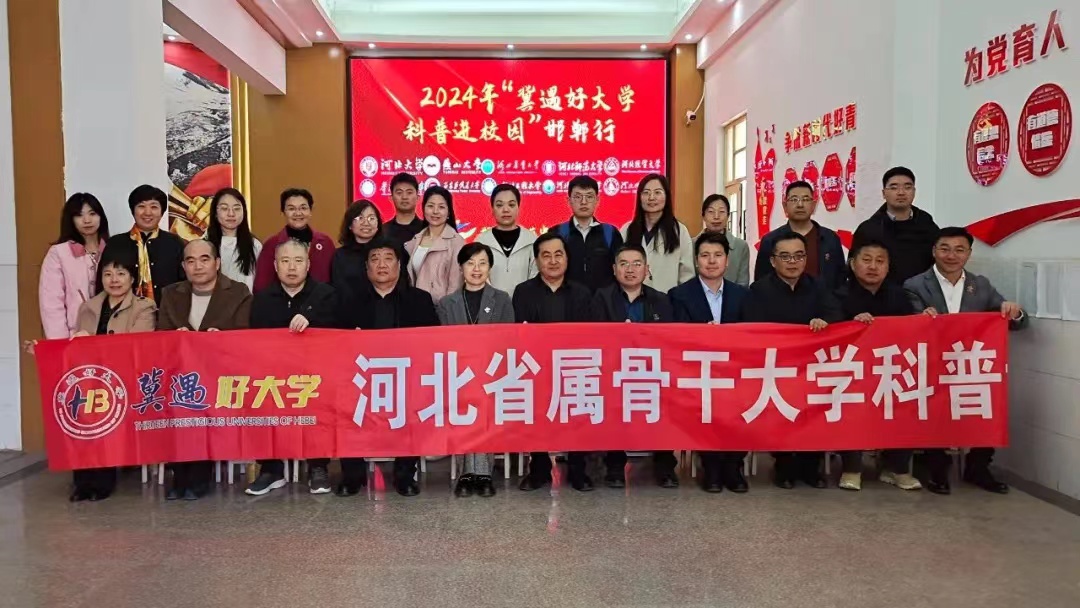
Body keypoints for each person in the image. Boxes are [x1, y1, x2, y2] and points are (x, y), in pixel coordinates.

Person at [904, 226, 1027, 495]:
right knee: (933, 409)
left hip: (969, 366)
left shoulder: (980, 285)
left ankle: (978, 466)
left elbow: (1018, 323)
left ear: (968, 254)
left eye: (959, 250)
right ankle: (937, 468)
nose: (951, 255)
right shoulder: (914, 285)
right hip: (931, 366)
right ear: (934, 251)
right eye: (945, 249)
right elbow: (905, 326)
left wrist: (1013, 312)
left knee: (987, 405)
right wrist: (919, 319)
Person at [33, 249, 155, 501]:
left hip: (125, 380)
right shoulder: (88, 307)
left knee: (103, 412)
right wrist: (46, 350)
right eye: (108, 274)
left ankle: (102, 482)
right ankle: (82, 483)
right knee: (79, 412)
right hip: (91, 378)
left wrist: (94, 343)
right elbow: (75, 349)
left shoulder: (144, 307)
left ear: (132, 278)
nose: (114, 280)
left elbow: (138, 346)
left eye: (121, 273)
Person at [338, 237, 440, 497]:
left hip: (407, 379)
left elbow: (432, 343)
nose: (381, 264)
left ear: (399, 265)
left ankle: (405, 475)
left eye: (388, 258)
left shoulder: (420, 300)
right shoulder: (349, 302)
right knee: (344, 403)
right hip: (362, 380)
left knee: (415, 401)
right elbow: (336, 347)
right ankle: (352, 475)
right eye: (375, 259)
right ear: (366, 268)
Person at [744, 231, 842, 489]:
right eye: (785, 256)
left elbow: (836, 315)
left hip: (812, 367)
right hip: (776, 369)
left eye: (799, 256)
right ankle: (784, 465)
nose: (792, 262)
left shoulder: (818, 285)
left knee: (817, 406)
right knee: (782, 407)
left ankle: (811, 466)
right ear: (773, 260)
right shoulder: (759, 290)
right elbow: (753, 328)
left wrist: (824, 322)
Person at [158, 240, 252, 500]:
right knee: (176, 404)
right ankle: (179, 474)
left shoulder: (238, 292)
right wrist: (174, 338)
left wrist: (221, 339)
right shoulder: (171, 294)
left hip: (221, 374)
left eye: (204, 259)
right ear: (183, 266)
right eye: (191, 261)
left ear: (217, 263)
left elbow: (245, 335)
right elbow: (160, 334)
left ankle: (199, 475)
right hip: (180, 373)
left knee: (204, 403)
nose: (197, 266)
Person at [246, 239, 339, 496]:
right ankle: (271, 469)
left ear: (308, 265)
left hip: (314, 375)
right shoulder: (262, 299)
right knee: (261, 399)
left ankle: (318, 466)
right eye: (285, 261)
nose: (291, 267)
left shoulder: (325, 294)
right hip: (274, 376)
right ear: (275, 266)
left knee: (320, 401)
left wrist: (311, 318)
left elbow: (337, 332)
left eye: (298, 261)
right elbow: (255, 341)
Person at [833, 240, 921, 492]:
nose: (873, 266)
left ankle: (897, 468)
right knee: (849, 404)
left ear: (888, 267)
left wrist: (924, 319)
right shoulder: (838, 294)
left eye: (880, 261)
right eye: (867, 260)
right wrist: (851, 324)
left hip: (892, 369)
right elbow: (830, 328)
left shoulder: (899, 295)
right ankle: (852, 467)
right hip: (851, 373)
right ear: (853, 264)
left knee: (906, 403)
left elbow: (912, 329)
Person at [668, 232, 751, 493]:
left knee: (746, 399)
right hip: (696, 372)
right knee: (704, 402)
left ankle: (733, 466)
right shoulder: (679, 295)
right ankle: (711, 466)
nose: (711, 261)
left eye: (718, 255)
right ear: (696, 260)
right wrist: (702, 335)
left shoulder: (743, 295)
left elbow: (752, 335)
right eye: (705, 255)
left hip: (735, 371)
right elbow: (675, 336)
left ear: (727, 261)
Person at [513, 233, 596, 492]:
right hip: (536, 367)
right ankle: (539, 470)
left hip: (573, 366)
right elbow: (518, 332)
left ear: (567, 258)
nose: (552, 261)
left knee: (578, 416)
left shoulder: (582, 293)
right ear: (536, 261)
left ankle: (578, 470)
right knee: (537, 417)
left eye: (558, 254)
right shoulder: (523, 292)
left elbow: (589, 334)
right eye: (546, 255)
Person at [591, 244, 677, 488]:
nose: (630, 269)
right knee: (611, 402)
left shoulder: (661, 300)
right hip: (612, 370)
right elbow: (593, 336)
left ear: (646, 269)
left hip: (651, 370)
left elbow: (670, 339)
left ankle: (665, 465)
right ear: (614, 269)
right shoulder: (601, 298)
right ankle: (615, 466)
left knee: (667, 400)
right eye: (624, 264)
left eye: (637, 264)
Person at [435, 242, 515, 498]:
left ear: (490, 267)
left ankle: (481, 474)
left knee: (483, 406)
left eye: (482, 263)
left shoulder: (501, 299)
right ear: (461, 267)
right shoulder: (447, 303)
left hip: (493, 374)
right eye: (470, 263)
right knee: (464, 407)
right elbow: (442, 343)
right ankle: (468, 474)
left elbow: (508, 339)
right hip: (458, 375)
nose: (476, 269)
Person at [38, 193, 110, 339]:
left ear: (101, 217)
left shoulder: (112, 249)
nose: (87, 220)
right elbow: (51, 303)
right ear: (71, 219)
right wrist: (61, 342)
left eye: (92, 213)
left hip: (110, 335)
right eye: (79, 215)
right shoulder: (59, 253)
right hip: (74, 336)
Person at [853, 167, 939, 285]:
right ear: (884, 193)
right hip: (882, 293)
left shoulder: (927, 225)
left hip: (921, 292)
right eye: (894, 188)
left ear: (914, 191)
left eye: (907, 187)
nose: (901, 192)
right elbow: (855, 270)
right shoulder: (869, 229)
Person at [754, 181, 846, 291]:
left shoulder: (830, 239)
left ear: (813, 205)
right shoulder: (770, 240)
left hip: (824, 301)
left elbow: (840, 280)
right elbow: (761, 282)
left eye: (806, 199)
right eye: (794, 199)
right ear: (785, 206)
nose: (800, 205)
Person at [104, 184, 186, 305]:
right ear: (133, 210)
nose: (147, 212)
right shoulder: (115, 243)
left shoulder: (175, 243)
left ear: (162, 212)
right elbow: (104, 283)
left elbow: (185, 284)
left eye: (154, 207)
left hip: (167, 312)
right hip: (124, 312)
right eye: (141, 206)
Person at [620, 174, 694, 293]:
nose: (651, 197)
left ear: (666, 196)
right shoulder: (627, 230)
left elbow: (686, 275)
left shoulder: (679, 231)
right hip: (632, 299)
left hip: (667, 300)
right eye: (646, 193)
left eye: (657, 192)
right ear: (639, 197)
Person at [548, 175, 624, 291]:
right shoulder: (556, 233)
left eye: (589, 197)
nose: (584, 202)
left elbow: (621, 270)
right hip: (566, 299)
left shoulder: (610, 233)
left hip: (603, 300)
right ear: (569, 201)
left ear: (597, 200)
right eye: (578, 197)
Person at [252, 188, 335, 293]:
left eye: (303, 208)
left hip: (322, 301)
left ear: (310, 211)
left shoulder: (325, 242)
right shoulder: (272, 244)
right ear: (283, 212)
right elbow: (261, 286)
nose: (298, 213)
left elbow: (335, 281)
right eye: (291, 209)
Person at [331, 200, 407, 302]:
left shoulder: (393, 249)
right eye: (360, 218)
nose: (366, 223)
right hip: (351, 308)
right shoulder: (340, 255)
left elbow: (403, 282)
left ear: (378, 224)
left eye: (371, 218)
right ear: (350, 225)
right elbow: (338, 289)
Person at [405, 186, 465, 302]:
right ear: (424, 208)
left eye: (441, 207)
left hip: (441, 307)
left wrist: (447, 308)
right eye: (430, 206)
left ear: (448, 212)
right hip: (416, 305)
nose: (435, 211)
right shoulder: (415, 239)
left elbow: (455, 284)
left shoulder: (456, 242)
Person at [475, 183, 537, 296]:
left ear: (518, 207)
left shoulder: (532, 240)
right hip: (490, 303)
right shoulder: (481, 242)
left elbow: (535, 277)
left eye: (511, 205)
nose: (506, 209)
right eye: (499, 205)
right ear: (492, 209)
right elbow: (477, 278)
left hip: (525, 302)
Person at [205, 187, 261, 291]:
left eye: (237, 208)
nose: (231, 214)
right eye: (224, 208)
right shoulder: (205, 245)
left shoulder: (255, 245)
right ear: (215, 213)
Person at [700, 194, 750, 286]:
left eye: (721, 211)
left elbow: (743, 283)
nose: (716, 216)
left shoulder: (741, 246)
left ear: (728, 216)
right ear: (703, 216)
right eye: (711, 211)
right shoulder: (691, 244)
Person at [383, 172, 426, 246]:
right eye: (399, 193)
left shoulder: (426, 229)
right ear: (391, 198)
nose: (404, 197)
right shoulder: (382, 231)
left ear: (418, 197)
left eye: (409, 193)